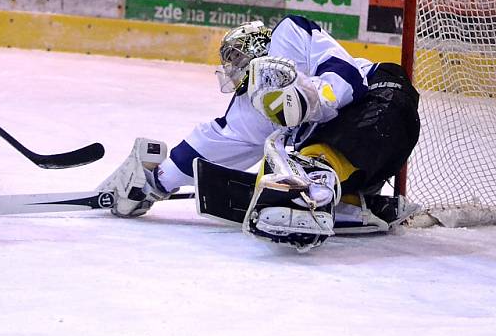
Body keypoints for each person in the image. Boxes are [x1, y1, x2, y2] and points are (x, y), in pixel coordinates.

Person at [99, 15, 421, 251]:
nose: (232, 68)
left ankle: (314, 188)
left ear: (255, 50)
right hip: (365, 163)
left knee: (306, 153)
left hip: (386, 105)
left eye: (236, 58)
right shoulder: (251, 109)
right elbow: (208, 144)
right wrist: (152, 183)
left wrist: (313, 97)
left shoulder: (288, 35)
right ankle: (346, 204)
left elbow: (348, 76)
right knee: (285, 154)